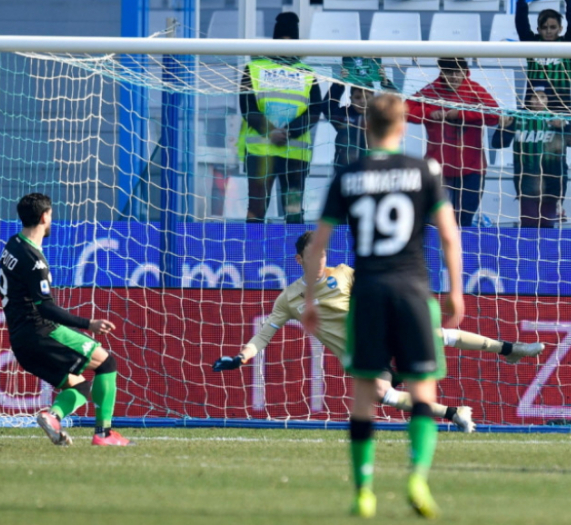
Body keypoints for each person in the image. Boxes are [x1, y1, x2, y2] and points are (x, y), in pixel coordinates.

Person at [303, 94, 464, 518]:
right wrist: (456, 291)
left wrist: (310, 300)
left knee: (364, 395)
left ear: (365, 125)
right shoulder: (424, 170)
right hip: (413, 290)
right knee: (423, 389)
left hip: (369, 291)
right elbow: (449, 235)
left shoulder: (348, 175)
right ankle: (417, 478)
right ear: (403, 125)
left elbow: (318, 244)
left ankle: (364, 491)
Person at [212, 232, 545, 432]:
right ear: (299, 259)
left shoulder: (343, 273)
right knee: (383, 395)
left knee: (436, 334)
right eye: (313, 256)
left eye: (323, 253)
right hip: (363, 355)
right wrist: (242, 357)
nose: (319, 260)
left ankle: (510, 349)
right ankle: (455, 414)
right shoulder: (289, 298)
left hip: (381, 332)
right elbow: (264, 334)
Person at [0, 193, 130, 446]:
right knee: (106, 362)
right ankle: (104, 434)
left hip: (20, 341)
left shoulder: (12, 245)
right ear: (44, 217)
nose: (52, 220)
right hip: (41, 332)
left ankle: (53, 416)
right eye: (51, 215)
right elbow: (46, 308)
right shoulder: (34, 261)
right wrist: (88, 324)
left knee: (80, 386)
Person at [238, 12, 323, 223]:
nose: (285, 46)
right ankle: (254, 245)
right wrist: (271, 132)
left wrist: (287, 132)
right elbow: (247, 107)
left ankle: (295, 245)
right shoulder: (254, 68)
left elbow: (314, 110)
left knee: (293, 210)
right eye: (282, 41)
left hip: (294, 156)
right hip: (261, 153)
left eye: (289, 41)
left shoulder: (308, 72)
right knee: (256, 208)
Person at [406, 57, 500, 227]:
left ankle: (460, 245)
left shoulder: (474, 90)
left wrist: (460, 114)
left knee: (464, 221)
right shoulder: (431, 90)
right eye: (450, 73)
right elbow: (405, 110)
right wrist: (429, 113)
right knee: (432, 220)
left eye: (458, 73)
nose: (455, 77)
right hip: (438, 168)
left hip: (472, 169)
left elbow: (494, 115)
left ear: (465, 72)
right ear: (442, 73)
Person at [490, 84, 571, 227]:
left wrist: (564, 126)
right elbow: (498, 143)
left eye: (543, 97)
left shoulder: (556, 117)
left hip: (553, 181)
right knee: (529, 224)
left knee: (547, 226)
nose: (538, 101)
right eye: (534, 97)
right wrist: (503, 127)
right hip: (526, 179)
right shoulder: (518, 117)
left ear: (548, 100)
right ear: (528, 99)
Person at [515, 0, 571, 113]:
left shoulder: (567, 44)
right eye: (544, 27)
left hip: (561, 109)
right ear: (538, 29)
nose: (548, 31)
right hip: (533, 108)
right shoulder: (531, 43)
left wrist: (569, 2)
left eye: (553, 27)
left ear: (560, 28)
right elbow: (521, 23)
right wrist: (521, 3)